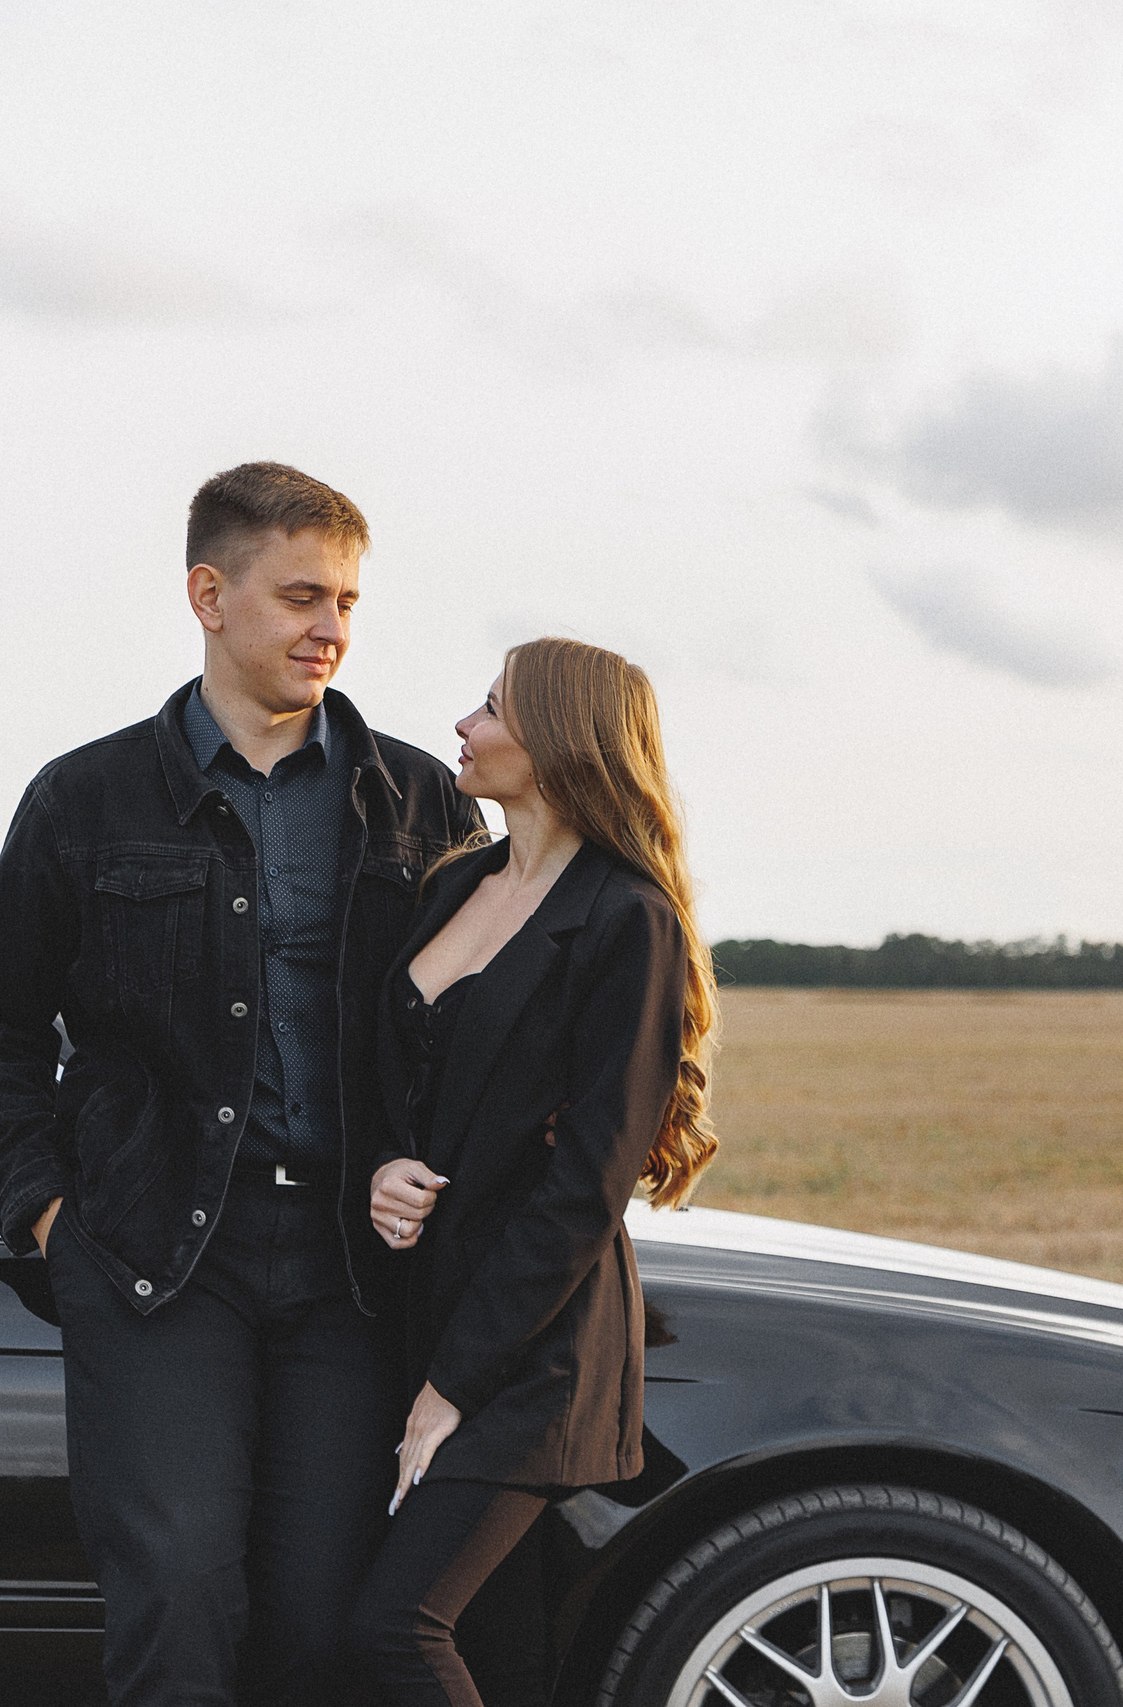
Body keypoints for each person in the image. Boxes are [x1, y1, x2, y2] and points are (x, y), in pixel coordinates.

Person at [0, 462, 483, 1706]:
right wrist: (46, 1210)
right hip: (154, 1254)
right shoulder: (87, 797)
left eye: (345, 600)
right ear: (208, 594)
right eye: (299, 597)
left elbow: (485, 1027)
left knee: (318, 1612)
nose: (329, 629)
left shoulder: (418, 799)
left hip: (353, 1263)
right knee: (175, 1587)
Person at [350, 637, 719, 1707]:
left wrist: (452, 1386)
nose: (463, 726)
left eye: (491, 708)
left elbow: (588, 1184)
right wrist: (383, 1167)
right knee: (501, 1652)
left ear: (559, 741)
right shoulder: (455, 881)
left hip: (531, 1345)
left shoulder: (626, 920)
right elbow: (393, 1083)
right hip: (415, 1306)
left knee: (393, 1629)